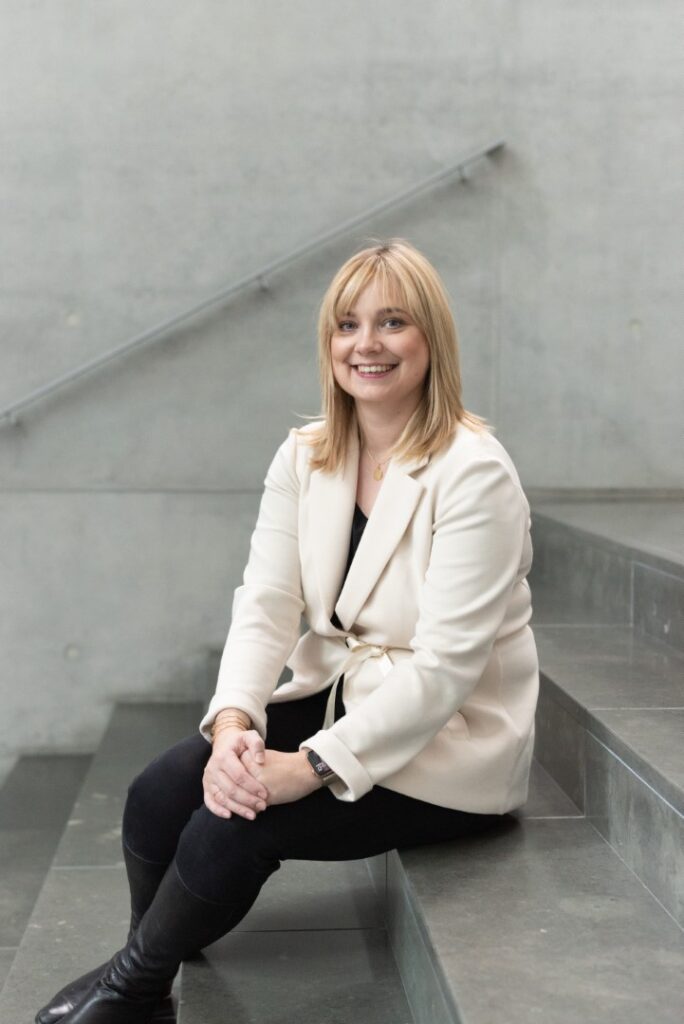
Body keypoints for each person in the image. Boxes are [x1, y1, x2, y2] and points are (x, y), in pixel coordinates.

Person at [36, 239, 539, 1024]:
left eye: (392, 322)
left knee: (236, 828)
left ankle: (132, 988)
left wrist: (305, 765)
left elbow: (444, 671)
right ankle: (153, 952)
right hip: (340, 690)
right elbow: (265, 600)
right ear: (328, 343)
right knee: (158, 794)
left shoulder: (475, 471)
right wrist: (238, 721)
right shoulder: (307, 455)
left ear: (430, 339)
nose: (365, 344)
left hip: (450, 739)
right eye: (347, 325)